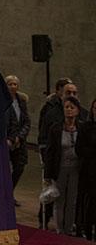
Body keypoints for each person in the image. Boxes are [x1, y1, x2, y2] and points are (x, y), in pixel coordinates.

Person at [43, 96, 83, 236]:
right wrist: (48, 175)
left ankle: (68, 228)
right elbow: (50, 152)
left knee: (72, 200)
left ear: (78, 110)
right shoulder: (56, 128)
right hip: (60, 168)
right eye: (66, 107)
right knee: (59, 200)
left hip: (76, 169)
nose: (69, 110)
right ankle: (60, 230)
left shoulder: (81, 127)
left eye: (72, 107)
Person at [5, 75, 31, 204]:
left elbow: (26, 121)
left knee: (19, 167)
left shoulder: (21, 102)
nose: (13, 86)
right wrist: (10, 137)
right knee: (5, 169)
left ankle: (9, 192)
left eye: (15, 84)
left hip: (19, 141)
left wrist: (20, 137)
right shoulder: (3, 101)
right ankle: (5, 194)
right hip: (7, 140)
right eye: (10, 84)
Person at [78, 99, 96, 241]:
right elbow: (79, 149)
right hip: (90, 172)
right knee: (90, 204)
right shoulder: (85, 127)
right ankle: (87, 232)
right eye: (95, 108)